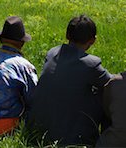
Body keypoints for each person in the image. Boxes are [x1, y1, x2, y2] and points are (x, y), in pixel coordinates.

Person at [26, 15, 112, 146]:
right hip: (69, 137)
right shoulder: (90, 64)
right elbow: (111, 83)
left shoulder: (52, 53)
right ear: (93, 40)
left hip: (37, 130)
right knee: (106, 93)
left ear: (67, 35)